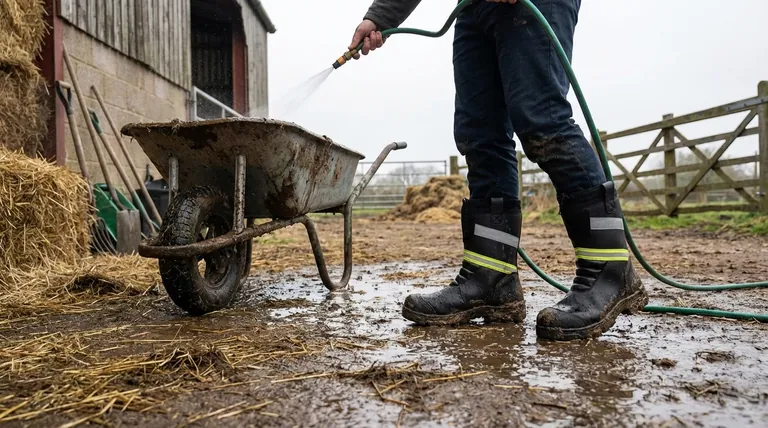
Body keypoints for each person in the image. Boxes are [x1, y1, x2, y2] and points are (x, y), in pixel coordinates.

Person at [348, 0, 647, 341]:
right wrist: (379, 16)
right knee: (480, 134)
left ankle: (609, 271)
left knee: (542, 120)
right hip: (473, 8)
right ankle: (491, 278)